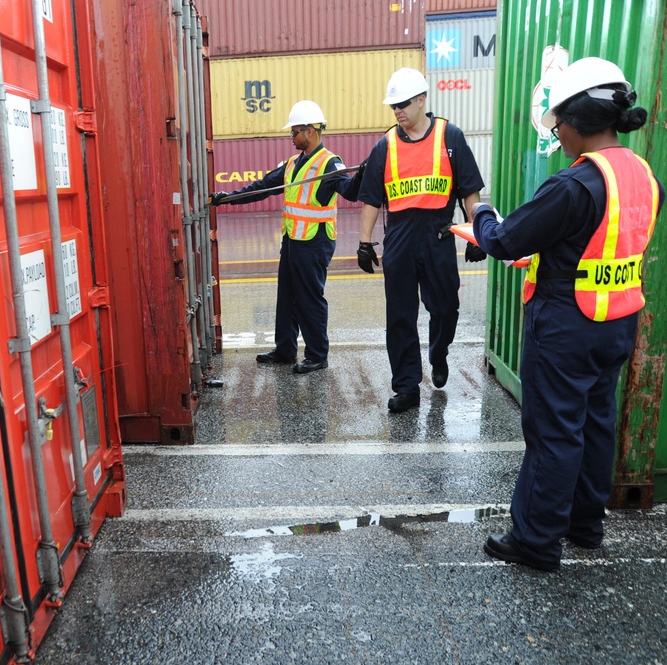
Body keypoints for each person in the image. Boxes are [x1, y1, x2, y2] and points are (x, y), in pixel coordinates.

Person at [472, 57, 664, 571]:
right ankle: (585, 526)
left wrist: (482, 215)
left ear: (577, 121)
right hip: (618, 321)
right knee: (597, 422)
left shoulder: (573, 185)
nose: (557, 135)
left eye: (557, 124)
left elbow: (507, 239)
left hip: (567, 324)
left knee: (554, 432)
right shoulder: (644, 176)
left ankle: (536, 541)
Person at [355, 68, 485, 412]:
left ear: (422, 100)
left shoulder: (450, 137)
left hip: (438, 236)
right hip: (399, 237)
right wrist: (365, 242)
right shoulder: (385, 146)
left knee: (446, 308)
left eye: (404, 104)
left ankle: (438, 352)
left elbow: (469, 192)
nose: (398, 111)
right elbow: (371, 198)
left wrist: (477, 234)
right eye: (393, 105)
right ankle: (407, 386)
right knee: (399, 316)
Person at [210, 100, 363, 374]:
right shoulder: (293, 163)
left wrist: (362, 176)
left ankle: (317, 355)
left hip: (315, 241)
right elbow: (264, 187)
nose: (291, 137)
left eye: (295, 132)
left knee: (309, 298)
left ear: (311, 131)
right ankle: (285, 349)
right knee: (287, 295)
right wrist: (228, 198)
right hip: (293, 239)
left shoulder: (330, 164)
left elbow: (350, 191)